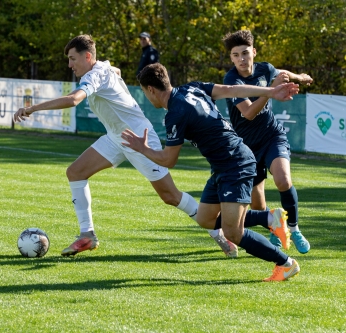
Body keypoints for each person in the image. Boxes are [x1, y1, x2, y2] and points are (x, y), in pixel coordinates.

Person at [14, 34, 227, 257]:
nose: (69, 64)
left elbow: (73, 100)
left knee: (170, 196)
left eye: (72, 58)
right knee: (75, 172)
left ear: (87, 56)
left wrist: (32, 108)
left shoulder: (94, 75)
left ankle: (219, 233)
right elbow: (116, 71)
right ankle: (87, 235)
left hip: (138, 138)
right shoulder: (102, 67)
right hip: (117, 136)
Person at [121, 63, 301, 281]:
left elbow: (169, 160)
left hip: (236, 164)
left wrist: (143, 149)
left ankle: (286, 263)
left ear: (150, 89)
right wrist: (270, 92)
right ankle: (269, 218)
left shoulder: (175, 113)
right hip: (223, 166)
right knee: (206, 219)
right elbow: (230, 90)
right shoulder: (191, 88)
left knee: (233, 232)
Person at [222, 30, 312, 254]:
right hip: (246, 147)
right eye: (236, 55)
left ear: (253, 51)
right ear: (231, 58)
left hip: (272, 136)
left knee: (283, 180)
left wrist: (299, 77)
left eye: (245, 53)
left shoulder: (265, 68)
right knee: (257, 201)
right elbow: (249, 113)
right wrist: (271, 92)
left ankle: (294, 227)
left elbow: (281, 72)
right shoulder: (232, 80)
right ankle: (274, 229)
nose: (241, 59)